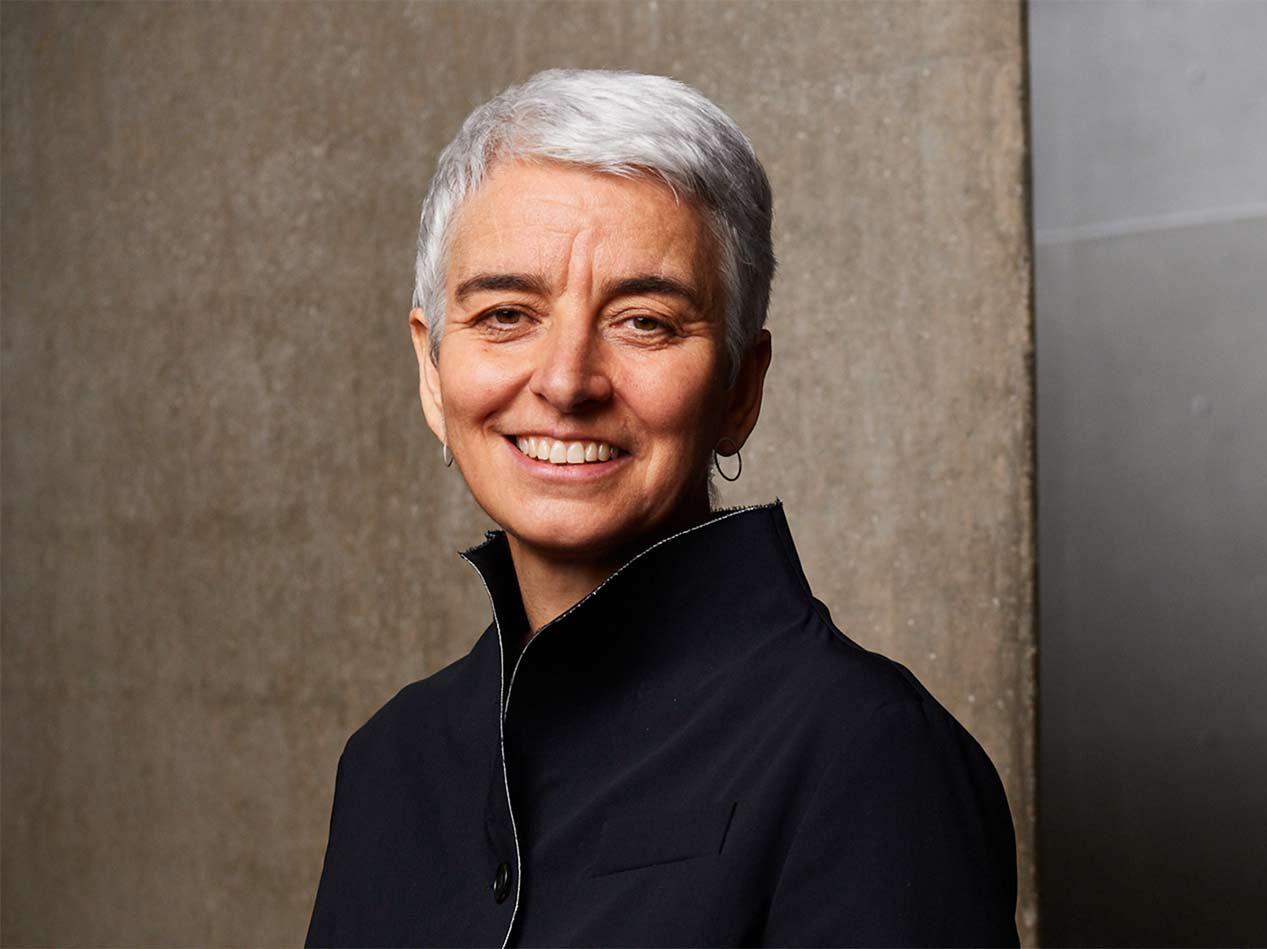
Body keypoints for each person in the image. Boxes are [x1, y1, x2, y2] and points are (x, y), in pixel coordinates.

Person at [304, 69, 1018, 948]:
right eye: (505, 314)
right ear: (431, 371)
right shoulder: (388, 765)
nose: (567, 381)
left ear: (739, 389)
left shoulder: (866, 753)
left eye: (644, 321)